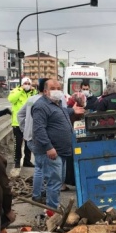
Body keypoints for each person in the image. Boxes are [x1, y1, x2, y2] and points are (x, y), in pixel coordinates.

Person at [31, 79, 84, 210]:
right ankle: (52, 211)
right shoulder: (41, 106)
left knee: (58, 182)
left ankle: (53, 206)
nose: (57, 90)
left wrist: (72, 111)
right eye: (53, 88)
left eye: (59, 88)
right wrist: (48, 147)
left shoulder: (57, 103)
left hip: (62, 151)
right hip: (52, 152)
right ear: (45, 91)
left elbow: (62, 114)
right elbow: (39, 129)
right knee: (54, 183)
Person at [18, 78, 48, 203]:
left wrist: (24, 129)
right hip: (39, 138)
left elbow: (20, 114)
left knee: (39, 165)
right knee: (40, 167)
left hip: (29, 138)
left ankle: (40, 190)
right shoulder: (45, 102)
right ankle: (37, 195)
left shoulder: (30, 100)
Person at [8, 77, 37, 168]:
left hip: (29, 122)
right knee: (18, 143)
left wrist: (34, 90)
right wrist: (21, 90)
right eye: (25, 83)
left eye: (29, 84)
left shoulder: (33, 93)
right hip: (17, 123)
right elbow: (11, 99)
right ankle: (17, 161)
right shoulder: (16, 91)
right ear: (22, 84)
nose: (27, 85)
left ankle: (27, 161)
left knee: (29, 142)